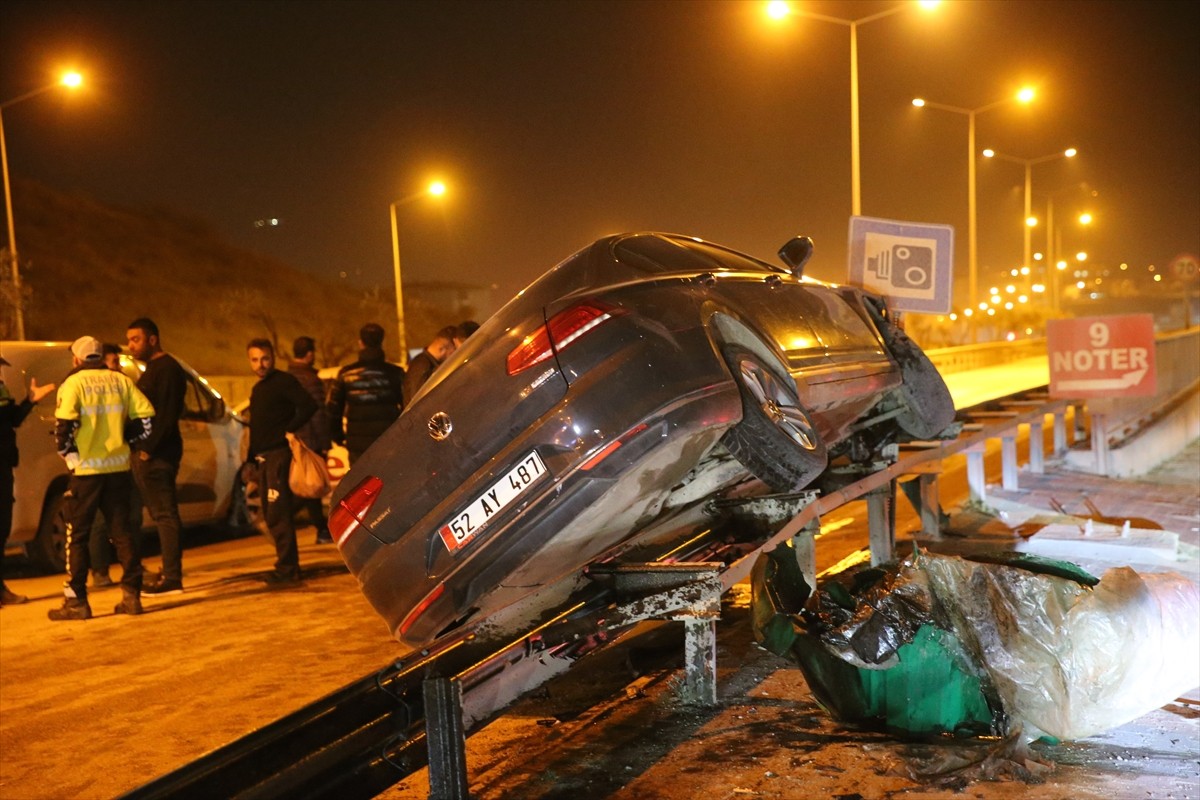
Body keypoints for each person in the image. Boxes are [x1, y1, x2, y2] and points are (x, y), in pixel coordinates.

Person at [49, 336, 155, 620]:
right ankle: (132, 596)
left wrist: (70, 456)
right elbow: (146, 421)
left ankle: (77, 602)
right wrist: (127, 441)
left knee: (79, 537)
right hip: (118, 468)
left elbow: (63, 429)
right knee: (123, 534)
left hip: (86, 473)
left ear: (77, 359)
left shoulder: (73, 384)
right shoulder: (120, 381)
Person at [126, 318, 189, 595]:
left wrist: (148, 449)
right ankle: (167, 572)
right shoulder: (154, 369)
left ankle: (172, 578)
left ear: (153, 339)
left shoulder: (167, 370)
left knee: (165, 514)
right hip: (150, 452)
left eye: (135, 339)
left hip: (157, 454)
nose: (131, 346)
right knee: (158, 514)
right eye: (129, 340)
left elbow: (167, 414)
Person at [246, 338, 317, 586]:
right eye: (255, 359)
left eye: (264, 358)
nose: (260, 364)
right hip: (264, 459)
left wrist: (289, 429)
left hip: (278, 456)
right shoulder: (259, 389)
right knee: (272, 513)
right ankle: (286, 565)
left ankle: (288, 569)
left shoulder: (284, 382)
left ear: (273, 357)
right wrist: (251, 460)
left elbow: (309, 405)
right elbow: (257, 427)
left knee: (278, 514)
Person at [1, 355, 55, 607]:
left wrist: (30, 401)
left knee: (3, 527)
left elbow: (11, 419)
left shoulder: (1, 389)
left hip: (3, 465)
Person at [326, 323, 406, 464]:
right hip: (388, 438)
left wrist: (338, 436)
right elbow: (408, 405)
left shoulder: (346, 374)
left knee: (361, 483)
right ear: (382, 342)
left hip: (358, 444)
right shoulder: (395, 373)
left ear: (360, 343)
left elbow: (333, 410)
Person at [288, 336, 332, 544]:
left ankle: (322, 529)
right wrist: (324, 443)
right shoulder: (310, 379)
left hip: (295, 438)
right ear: (309, 354)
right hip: (310, 438)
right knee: (311, 485)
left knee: (307, 484)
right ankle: (283, 518)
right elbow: (318, 413)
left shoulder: (288, 376)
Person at [402, 325, 458, 401]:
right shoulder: (421, 365)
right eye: (455, 350)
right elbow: (418, 398)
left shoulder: (424, 363)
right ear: (442, 349)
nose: (455, 355)